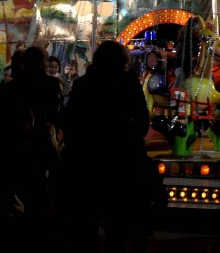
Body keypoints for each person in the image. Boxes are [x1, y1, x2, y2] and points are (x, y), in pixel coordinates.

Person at [57, 40, 157, 253]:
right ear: (122, 60)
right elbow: (141, 120)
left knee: (87, 225)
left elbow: (70, 121)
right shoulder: (128, 82)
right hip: (121, 160)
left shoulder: (83, 84)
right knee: (118, 226)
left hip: (87, 161)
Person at [0, 44, 65, 239]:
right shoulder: (50, 85)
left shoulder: (9, 88)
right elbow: (58, 117)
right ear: (41, 63)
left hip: (14, 150)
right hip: (41, 148)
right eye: (47, 60)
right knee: (40, 198)